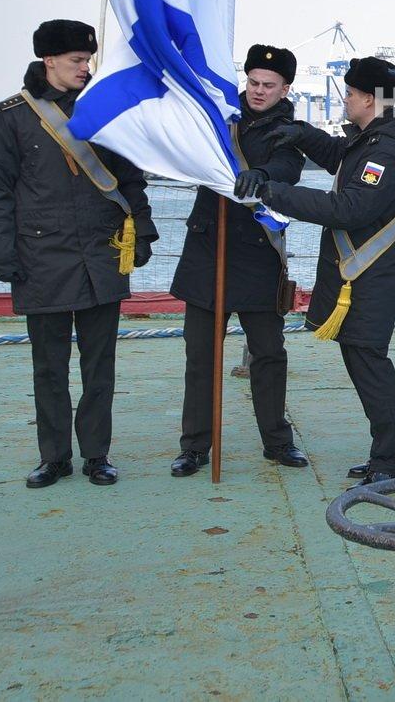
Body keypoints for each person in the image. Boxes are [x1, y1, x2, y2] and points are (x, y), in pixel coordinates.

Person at [0, 19, 156, 488]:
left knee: (100, 367)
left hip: (102, 253)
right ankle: (54, 457)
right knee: (49, 368)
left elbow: (128, 176)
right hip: (41, 260)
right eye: (77, 60)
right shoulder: (12, 116)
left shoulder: (102, 109)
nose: (85, 67)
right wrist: (1, 254)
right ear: (49, 61)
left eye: (88, 59)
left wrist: (144, 230)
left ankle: (97, 455)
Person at [248, 56, 395, 485]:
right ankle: (393, 446)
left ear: (368, 98)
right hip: (363, 273)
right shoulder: (372, 139)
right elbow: (339, 157)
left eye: (349, 93)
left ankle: (388, 459)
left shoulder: (387, 151)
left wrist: (274, 192)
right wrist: (304, 135)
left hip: (372, 273)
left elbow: (350, 207)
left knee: (368, 359)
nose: (345, 100)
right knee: (362, 357)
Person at [170, 45, 308, 477]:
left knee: (269, 353)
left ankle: (277, 441)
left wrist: (263, 175)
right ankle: (194, 446)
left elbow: (289, 166)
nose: (258, 91)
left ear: (286, 88)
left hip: (256, 254)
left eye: (269, 85)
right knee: (201, 356)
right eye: (252, 82)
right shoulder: (218, 115)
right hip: (208, 250)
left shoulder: (289, 130)